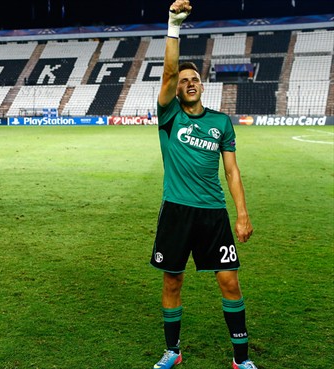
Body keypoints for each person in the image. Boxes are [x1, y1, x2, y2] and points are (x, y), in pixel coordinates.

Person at [150, 2, 256, 369]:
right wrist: (173, 26)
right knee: (172, 282)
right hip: (177, 211)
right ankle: (172, 351)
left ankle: (241, 359)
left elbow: (232, 172)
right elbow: (167, 72)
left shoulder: (221, 123)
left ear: (202, 85)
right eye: (183, 80)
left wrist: (242, 213)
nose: (189, 82)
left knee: (229, 282)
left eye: (194, 78)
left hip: (214, 214)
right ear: (175, 90)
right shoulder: (168, 116)